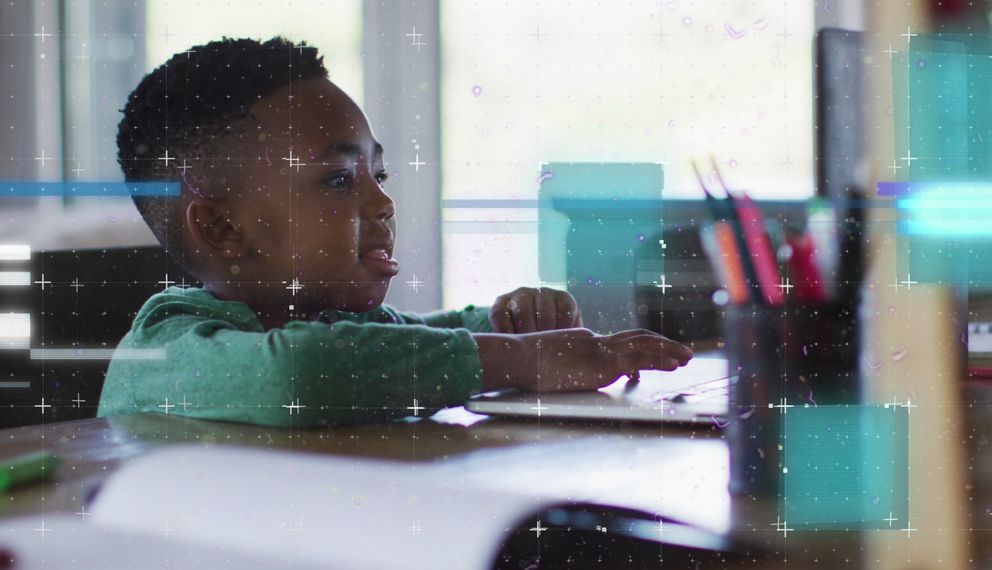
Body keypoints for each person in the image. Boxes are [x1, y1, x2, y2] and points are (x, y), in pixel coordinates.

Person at [98, 37, 692, 427]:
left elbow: (412, 338)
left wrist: (507, 324)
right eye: (337, 179)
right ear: (224, 229)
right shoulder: (163, 351)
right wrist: (525, 358)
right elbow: (301, 373)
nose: (382, 203)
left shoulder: (332, 325)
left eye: (377, 175)